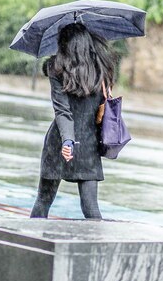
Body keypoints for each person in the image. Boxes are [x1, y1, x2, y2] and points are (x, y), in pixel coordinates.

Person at [30, 23, 116, 220]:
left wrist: (68, 140)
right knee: (91, 207)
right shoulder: (101, 69)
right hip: (88, 145)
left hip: (59, 142)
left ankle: (30, 243)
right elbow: (103, 105)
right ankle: (97, 248)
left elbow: (63, 110)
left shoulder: (55, 68)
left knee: (43, 200)